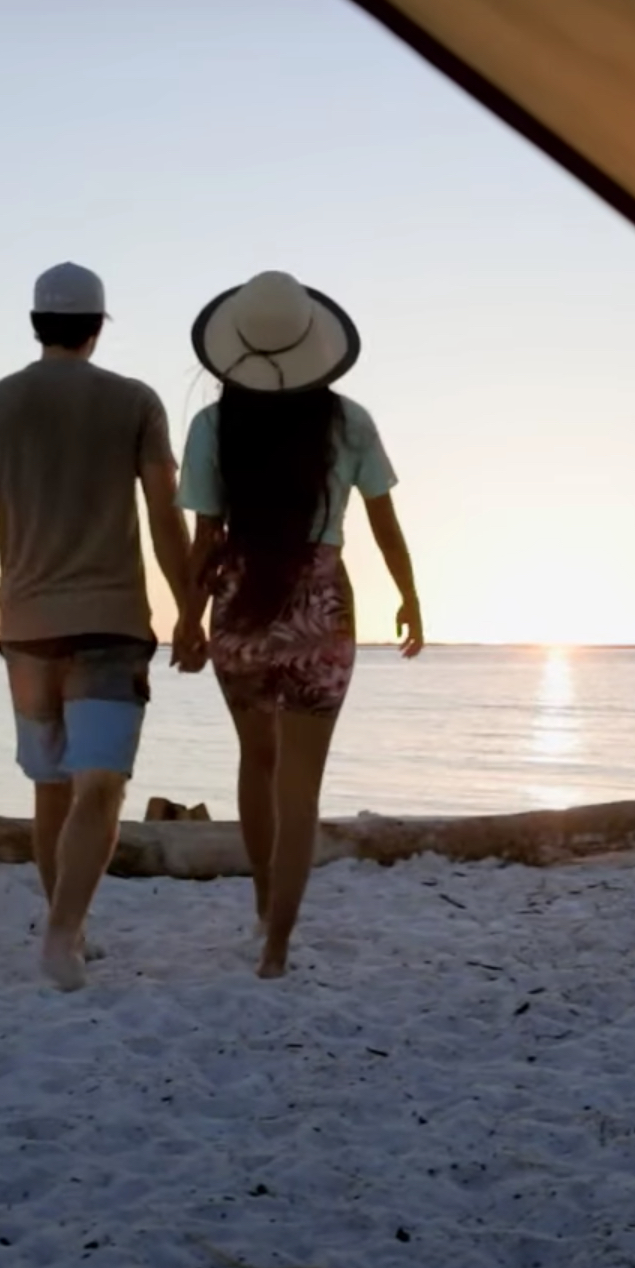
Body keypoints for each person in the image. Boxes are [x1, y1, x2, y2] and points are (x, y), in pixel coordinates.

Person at [0, 262, 200, 991]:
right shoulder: (135, 402)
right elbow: (162, 513)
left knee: (52, 790)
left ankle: (67, 930)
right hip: (111, 622)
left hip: (26, 628)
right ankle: (61, 934)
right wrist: (188, 606)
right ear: (96, 327)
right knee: (100, 789)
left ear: (35, 323)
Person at [175, 270, 423, 979]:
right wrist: (411, 595)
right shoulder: (349, 421)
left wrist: (188, 619)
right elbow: (384, 527)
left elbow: (204, 538)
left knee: (257, 761)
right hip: (322, 608)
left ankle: (262, 909)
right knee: (301, 787)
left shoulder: (213, 425)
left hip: (241, 605)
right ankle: (278, 948)